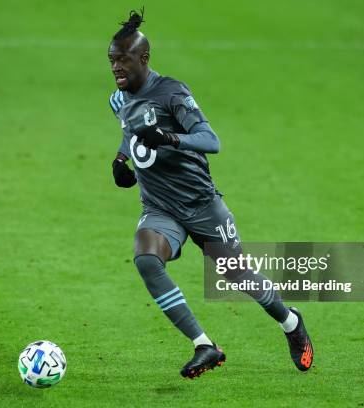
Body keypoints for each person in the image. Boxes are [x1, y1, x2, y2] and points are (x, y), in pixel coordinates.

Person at [107, 9, 313, 379]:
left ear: (144, 58)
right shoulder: (119, 99)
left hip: (202, 205)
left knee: (240, 277)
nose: (116, 67)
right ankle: (204, 345)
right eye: (111, 60)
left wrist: (171, 138)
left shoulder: (172, 92)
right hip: (159, 207)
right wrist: (122, 158)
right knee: (146, 259)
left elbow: (211, 141)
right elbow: (129, 126)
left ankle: (290, 321)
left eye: (122, 59)